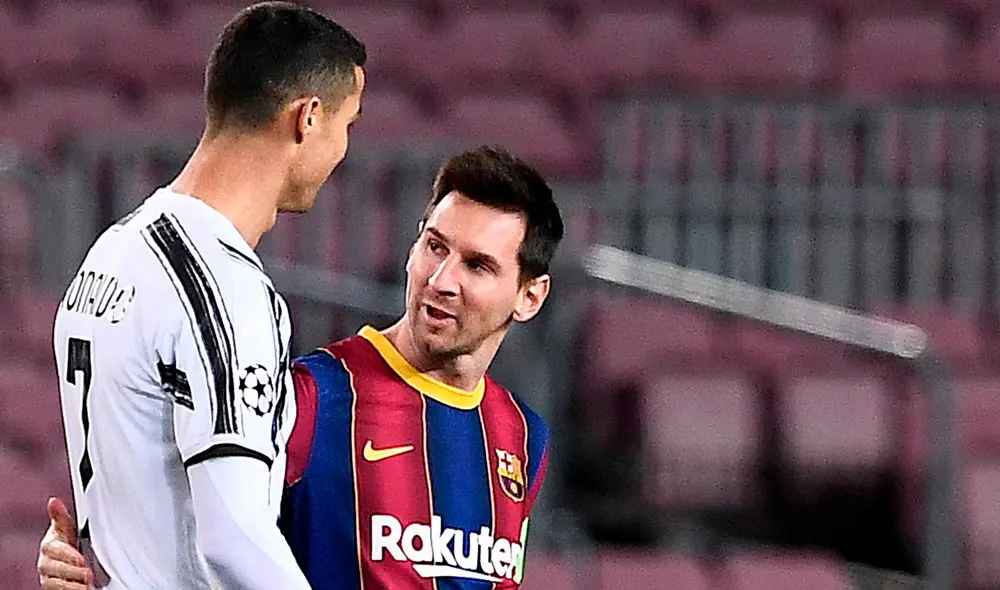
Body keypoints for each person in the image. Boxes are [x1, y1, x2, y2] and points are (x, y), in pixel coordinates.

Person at [39, 146, 563, 590]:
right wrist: (86, 556)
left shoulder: (522, 437)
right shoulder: (312, 396)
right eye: (434, 246)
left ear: (529, 296)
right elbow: (186, 519)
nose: (442, 279)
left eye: (477, 265)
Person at [47, 2, 365, 588]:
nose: (345, 149)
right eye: (349, 123)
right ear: (309, 118)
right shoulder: (222, 286)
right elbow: (233, 538)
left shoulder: (111, 255)